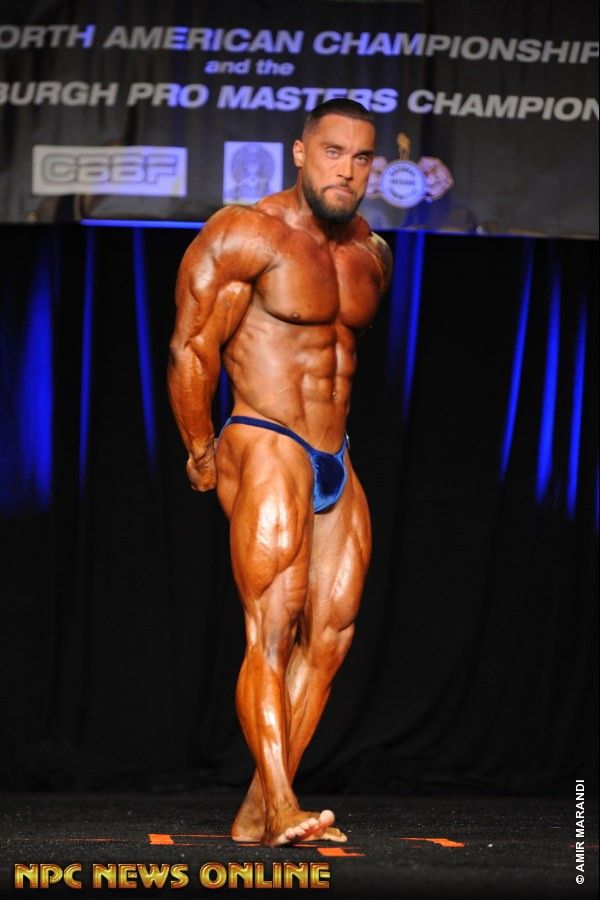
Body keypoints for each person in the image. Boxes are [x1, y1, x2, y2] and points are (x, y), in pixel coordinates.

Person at [168, 99, 392, 847]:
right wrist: (201, 448)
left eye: (361, 158)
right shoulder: (247, 233)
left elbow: (337, 361)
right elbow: (192, 347)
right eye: (333, 152)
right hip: (265, 436)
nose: (346, 170)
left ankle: (260, 811)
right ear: (299, 153)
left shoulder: (372, 254)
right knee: (271, 625)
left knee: (331, 636)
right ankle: (286, 803)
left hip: (336, 452)